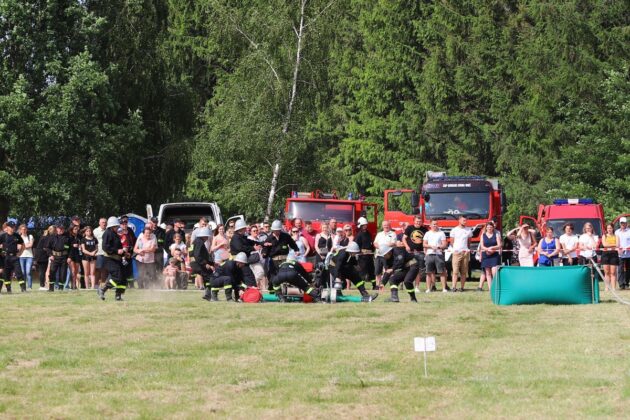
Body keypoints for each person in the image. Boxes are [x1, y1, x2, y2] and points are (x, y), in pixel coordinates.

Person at [97, 217, 127, 301]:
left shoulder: (115, 234)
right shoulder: (107, 233)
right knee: (117, 277)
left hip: (117, 259)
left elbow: (119, 248)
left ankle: (118, 295)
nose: (118, 227)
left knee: (123, 278)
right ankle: (102, 289)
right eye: (116, 226)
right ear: (112, 226)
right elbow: (105, 247)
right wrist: (117, 251)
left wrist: (125, 253)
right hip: (110, 259)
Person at [263, 220, 299, 287]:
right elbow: (265, 248)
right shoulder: (269, 238)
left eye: (278, 230)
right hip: (274, 261)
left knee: (285, 275)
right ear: (272, 230)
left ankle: (286, 289)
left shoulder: (286, 236)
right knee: (273, 275)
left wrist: (296, 250)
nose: (277, 232)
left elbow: (292, 243)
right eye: (275, 230)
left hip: (284, 260)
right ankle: (273, 289)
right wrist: (264, 253)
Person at [190, 227, 216, 300]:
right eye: (207, 236)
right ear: (204, 236)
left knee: (207, 277)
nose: (208, 238)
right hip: (198, 263)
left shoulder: (197, 241)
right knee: (209, 277)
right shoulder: (199, 242)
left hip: (196, 262)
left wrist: (212, 263)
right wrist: (205, 264)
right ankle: (212, 295)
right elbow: (197, 255)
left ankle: (208, 294)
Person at [0, 221, 26, 293]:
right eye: (12, 227)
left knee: (19, 273)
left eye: (14, 227)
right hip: (5, 258)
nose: (13, 228)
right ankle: (9, 290)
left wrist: (20, 253)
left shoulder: (17, 235)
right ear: (7, 227)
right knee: (6, 275)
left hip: (15, 257)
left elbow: (23, 245)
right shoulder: (3, 236)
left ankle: (23, 289)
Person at [423, 219, 448, 293]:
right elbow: (424, 244)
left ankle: (444, 288)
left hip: (438, 254)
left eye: (436, 224)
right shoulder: (427, 233)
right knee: (428, 272)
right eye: (433, 224)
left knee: (442, 272)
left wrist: (438, 247)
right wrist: (431, 247)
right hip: (429, 254)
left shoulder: (441, 233)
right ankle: (428, 288)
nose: (435, 225)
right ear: (430, 225)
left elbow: (444, 244)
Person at [403, 215, 427, 292]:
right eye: (417, 221)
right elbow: (404, 238)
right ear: (414, 221)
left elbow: (426, 241)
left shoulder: (424, 229)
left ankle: (416, 287)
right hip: (410, 253)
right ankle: (407, 285)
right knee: (408, 269)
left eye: (420, 221)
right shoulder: (409, 228)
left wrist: (425, 250)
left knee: (418, 270)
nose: (418, 223)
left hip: (420, 253)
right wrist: (406, 246)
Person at [46, 224, 72, 292]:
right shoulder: (52, 237)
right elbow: (48, 247)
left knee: (63, 273)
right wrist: (50, 255)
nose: (60, 230)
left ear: (63, 229)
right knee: (52, 272)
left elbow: (70, 249)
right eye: (59, 229)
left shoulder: (67, 238)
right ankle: (51, 288)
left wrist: (69, 257)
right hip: (54, 257)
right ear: (57, 229)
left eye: (62, 229)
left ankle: (61, 288)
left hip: (64, 257)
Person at [450, 215, 473, 292]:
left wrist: (467, 249)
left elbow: (469, 242)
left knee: (464, 272)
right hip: (456, 253)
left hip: (465, 253)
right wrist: (455, 249)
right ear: (459, 220)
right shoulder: (454, 230)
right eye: (463, 220)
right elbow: (451, 242)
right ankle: (453, 287)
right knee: (455, 271)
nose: (465, 221)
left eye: (466, 220)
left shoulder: (469, 230)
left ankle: (462, 288)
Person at [373, 221, 397, 289]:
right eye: (384, 225)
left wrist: (385, 246)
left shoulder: (393, 234)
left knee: (388, 271)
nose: (386, 226)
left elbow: (393, 243)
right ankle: (377, 286)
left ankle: (389, 285)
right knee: (377, 271)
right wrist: (379, 247)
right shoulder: (379, 234)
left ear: (390, 226)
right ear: (382, 226)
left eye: (387, 225)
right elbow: (375, 243)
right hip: (378, 254)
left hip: (388, 255)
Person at [354, 217, 376, 290]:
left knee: (371, 270)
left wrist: (373, 250)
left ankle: (374, 285)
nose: (365, 226)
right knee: (362, 271)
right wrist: (361, 251)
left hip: (369, 255)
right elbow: (356, 245)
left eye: (365, 225)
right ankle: (362, 286)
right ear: (360, 226)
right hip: (362, 256)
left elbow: (371, 243)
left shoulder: (368, 233)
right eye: (363, 225)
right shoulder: (359, 235)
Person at [480, 221, 501, 290]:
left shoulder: (496, 235)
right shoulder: (483, 235)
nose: (489, 228)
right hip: (485, 255)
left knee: (494, 271)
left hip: (494, 255)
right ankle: (490, 289)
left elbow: (499, 245)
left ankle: (496, 287)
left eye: (491, 227)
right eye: (488, 227)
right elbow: (482, 246)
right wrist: (487, 249)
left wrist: (492, 248)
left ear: (493, 228)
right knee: (487, 273)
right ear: (486, 228)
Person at [248, 224, 267, 290]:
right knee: (260, 272)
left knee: (258, 275)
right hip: (253, 260)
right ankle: (250, 285)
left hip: (260, 260)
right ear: (250, 232)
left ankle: (254, 290)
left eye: (256, 230)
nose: (256, 232)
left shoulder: (259, 239)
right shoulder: (249, 239)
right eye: (254, 231)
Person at [35, 225, 54, 290]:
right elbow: (46, 248)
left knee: (43, 271)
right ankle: (42, 285)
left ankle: (43, 285)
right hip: (42, 256)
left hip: (41, 255)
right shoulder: (47, 237)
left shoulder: (45, 236)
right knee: (42, 271)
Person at [601, 223, 618, 291]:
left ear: (613, 228)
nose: (609, 229)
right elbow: (604, 245)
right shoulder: (604, 236)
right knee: (607, 272)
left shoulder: (616, 236)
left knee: (613, 272)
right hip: (605, 254)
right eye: (608, 228)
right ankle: (607, 287)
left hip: (614, 254)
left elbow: (617, 245)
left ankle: (613, 288)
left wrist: (609, 245)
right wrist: (613, 245)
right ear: (606, 229)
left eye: (610, 228)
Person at [17, 224, 34, 290]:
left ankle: (29, 286)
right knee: (23, 272)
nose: (24, 231)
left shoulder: (30, 236)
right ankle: (23, 287)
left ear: (26, 230)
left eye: (25, 229)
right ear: (20, 230)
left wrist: (23, 246)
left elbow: (31, 245)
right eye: (22, 229)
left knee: (28, 272)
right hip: (21, 256)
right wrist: (26, 245)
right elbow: (18, 247)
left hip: (29, 256)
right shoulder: (18, 237)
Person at [93, 217, 108, 288]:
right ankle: (96, 284)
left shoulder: (108, 230)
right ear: (99, 223)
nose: (104, 224)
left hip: (106, 253)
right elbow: (92, 242)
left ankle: (103, 284)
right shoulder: (95, 231)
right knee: (98, 269)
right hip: (98, 253)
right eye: (103, 222)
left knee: (105, 269)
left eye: (105, 222)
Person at [616, 217, 630, 290]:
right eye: (621, 223)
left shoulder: (629, 231)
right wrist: (618, 249)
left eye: (624, 223)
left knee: (628, 270)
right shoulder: (617, 232)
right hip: (620, 254)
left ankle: (626, 283)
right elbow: (616, 243)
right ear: (620, 223)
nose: (623, 224)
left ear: (626, 223)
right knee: (620, 269)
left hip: (628, 254)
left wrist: (628, 248)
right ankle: (621, 284)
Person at [67, 224, 82, 289]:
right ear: (72, 229)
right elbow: (65, 246)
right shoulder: (69, 237)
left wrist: (80, 246)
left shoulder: (79, 236)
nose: (76, 230)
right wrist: (72, 245)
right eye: (75, 229)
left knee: (76, 271)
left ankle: (75, 285)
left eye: (77, 229)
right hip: (70, 255)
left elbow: (82, 243)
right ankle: (72, 285)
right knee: (72, 270)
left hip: (78, 255)